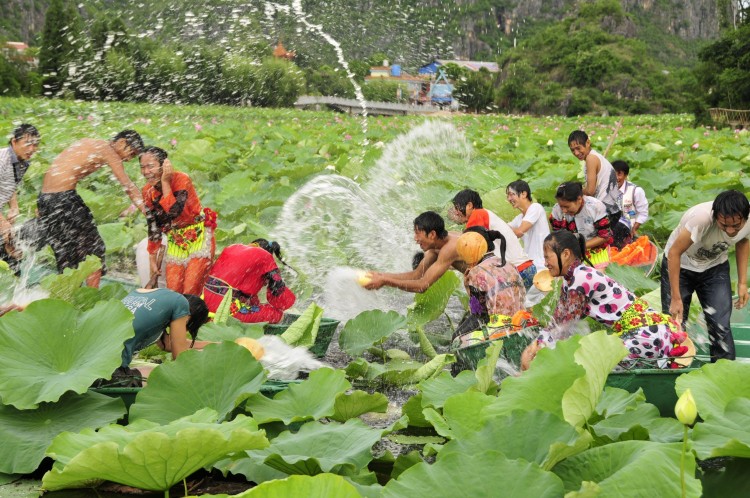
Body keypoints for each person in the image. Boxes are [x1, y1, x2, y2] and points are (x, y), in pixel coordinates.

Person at [523, 231, 683, 369]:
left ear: (565, 254)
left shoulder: (581, 278)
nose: (545, 263)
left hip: (647, 335)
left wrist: (534, 348)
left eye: (547, 257)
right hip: (643, 333)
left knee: (593, 363)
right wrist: (537, 344)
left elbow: (564, 326)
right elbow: (557, 322)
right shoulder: (570, 279)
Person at [37, 130, 146, 288]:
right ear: (122, 142)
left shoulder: (89, 142)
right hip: (63, 199)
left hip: (45, 198)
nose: (128, 159)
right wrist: (148, 212)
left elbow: (56, 168)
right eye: (131, 153)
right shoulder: (108, 150)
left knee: (65, 253)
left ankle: (68, 297)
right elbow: (128, 185)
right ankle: (90, 298)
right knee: (95, 250)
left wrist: (42, 204)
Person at [661, 190, 750, 362]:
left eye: (736, 226)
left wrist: (742, 283)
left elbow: (743, 241)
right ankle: (671, 370)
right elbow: (674, 253)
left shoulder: (748, 221)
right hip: (681, 266)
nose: (730, 231)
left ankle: (723, 373)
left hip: (714, 267)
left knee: (720, 325)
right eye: (724, 225)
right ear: (716, 216)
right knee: (675, 324)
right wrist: (676, 297)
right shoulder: (700, 219)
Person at [140, 146, 216, 296]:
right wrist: (152, 256)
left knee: (190, 291)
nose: (146, 172)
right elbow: (153, 223)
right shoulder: (148, 191)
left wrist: (166, 183)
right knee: (173, 292)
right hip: (176, 239)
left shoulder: (181, 179)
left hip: (198, 236)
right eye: (142, 167)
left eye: (150, 166)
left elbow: (174, 212)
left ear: (164, 165)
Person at [450, 189, 537, 289]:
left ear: (469, 205)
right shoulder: (486, 215)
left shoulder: (478, 214)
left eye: (457, 208)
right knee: (517, 304)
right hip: (527, 269)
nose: (456, 213)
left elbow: (469, 248)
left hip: (516, 271)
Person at [364, 211, 465, 293]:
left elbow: (422, 286)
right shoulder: (436, 246)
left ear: (432, 234)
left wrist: (386, 281)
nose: (415, 239)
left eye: (417, 234)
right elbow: (416, 275)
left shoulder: (449, 248)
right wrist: (381, 276)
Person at [453, 227, 526, 338]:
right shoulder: (507, 263)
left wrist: (467, 286)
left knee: (457, 338)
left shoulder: (476, 272)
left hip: (499, 326)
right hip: (520, 320)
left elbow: (477, 312)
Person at [203, 239, 296, 323]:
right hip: (223, 309)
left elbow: (246, 293)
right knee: (276, 314)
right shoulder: (266, 257)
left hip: (202, 302)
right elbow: (279, 291)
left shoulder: (232, 247)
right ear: (269, 253)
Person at [568, 130, 630, 248]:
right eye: (572, 150)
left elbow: (590, 190)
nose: (576, 153)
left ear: (588, 143)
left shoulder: (591, 158)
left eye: (578, 148)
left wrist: (574, 193)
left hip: (607, 210)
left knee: (597, 243)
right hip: (614, 209)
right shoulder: (596, 156)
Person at [120, 289, 212, 368]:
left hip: (107, 356)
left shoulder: (148, 295)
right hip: (115, 367)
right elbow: (179, 358)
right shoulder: (181, 304)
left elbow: (170, 344)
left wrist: (215, 345)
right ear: (188, 318)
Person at [0, 124, 40, 270]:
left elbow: (11, 183)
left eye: (35, 144)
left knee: (11, 253)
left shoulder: (22, 161)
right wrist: (3, 224)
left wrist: (14, 207)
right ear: (14, 142)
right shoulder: (1, 160)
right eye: (28, 144)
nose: (32, 149)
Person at [550, 182, 613, 264]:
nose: (564, 211)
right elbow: (557, 235)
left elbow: (605, 236)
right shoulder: (556, 210)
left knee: (594, 275)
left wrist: (580, 247)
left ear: (579, 199)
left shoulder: (595, 207)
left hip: (596, 251)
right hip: (571, 253)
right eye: (561, 206)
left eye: (567, 206)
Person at [506, 180, 550, 271]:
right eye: (508, 196)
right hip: (530, 266)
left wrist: (502, 229)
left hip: (542, 265)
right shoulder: (519, 218)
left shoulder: (536, 208)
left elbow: (519, 232)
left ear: (524, 194)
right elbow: (505, 228)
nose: (509, 199)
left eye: (511, 194)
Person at [612, 160, 649, 237]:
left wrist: (634, 228)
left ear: (625, 175)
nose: (616, 178)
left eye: (619, 174)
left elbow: (643, 212)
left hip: (626, 227)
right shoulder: (606, 189)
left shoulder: (636, 191)